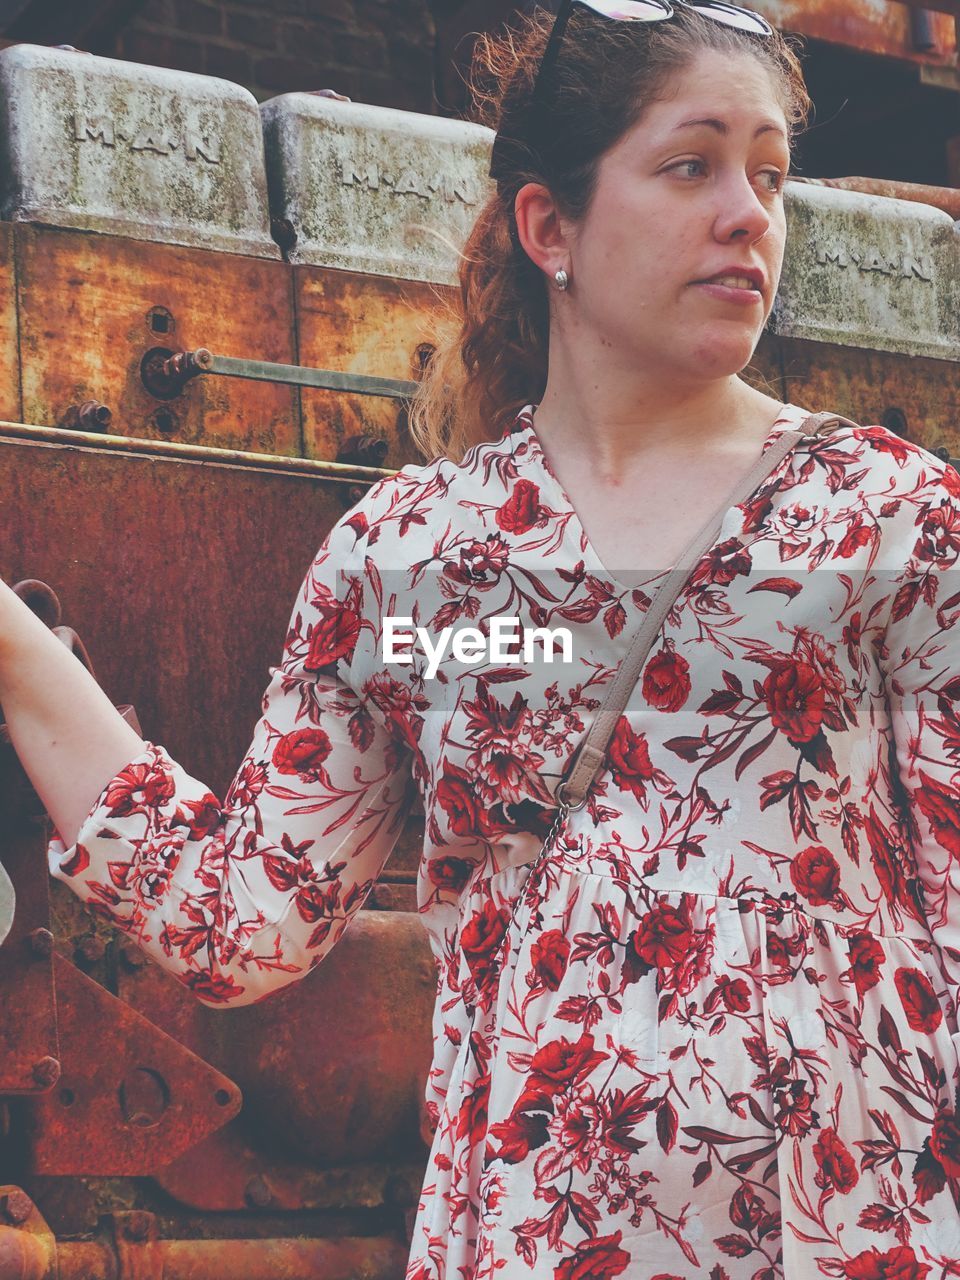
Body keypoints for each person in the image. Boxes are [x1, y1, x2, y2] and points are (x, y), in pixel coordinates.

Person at [2, 1, 959, 1275]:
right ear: (549, 225)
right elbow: (244, 921)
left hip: (837, 1244)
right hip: (527, 1239)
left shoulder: (888, 520)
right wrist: (13, 647)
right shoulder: (417, 555)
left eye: (770, 173)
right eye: (692, 164)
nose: (749, 213)